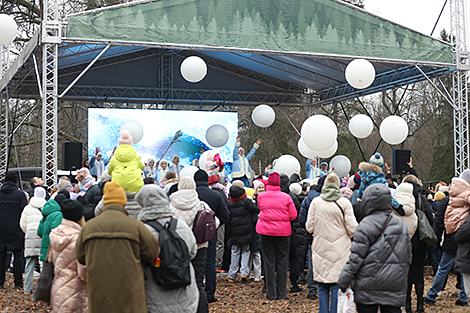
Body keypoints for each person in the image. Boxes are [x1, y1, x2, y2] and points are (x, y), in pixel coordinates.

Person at [75, 181, 160, 313]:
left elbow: (80, 257)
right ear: (124, 203)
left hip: (99, 293)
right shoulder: (136, 226)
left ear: (104, 203)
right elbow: (153, 252)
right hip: (130, 293)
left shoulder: (89, 227)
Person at [338, 184, 412, 313]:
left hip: (367, 285)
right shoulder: (400, 224)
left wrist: (344, 280)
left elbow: (356, 258)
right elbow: (407, 256)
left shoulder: (365, 225)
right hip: (393, 283)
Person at [136, 184, 198, 313]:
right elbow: (192, 252)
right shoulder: (180, 225)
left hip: (155, 291)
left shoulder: (141, 230)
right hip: (185, 289)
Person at [305, 173, 357, 313]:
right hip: (340, 250)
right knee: (336, 286)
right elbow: (353, 229)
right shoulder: (345, 203)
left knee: (322, 287)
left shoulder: (316, 202)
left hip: (321, 249)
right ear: (338, 185)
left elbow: (309, 227)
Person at [171, 176, 218, 313]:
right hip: (199, 246)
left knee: (179, 282)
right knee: (198, 283)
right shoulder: (201, 204)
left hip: (178, 248)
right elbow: (215, 222)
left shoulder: (171, 204)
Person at [425, 177, 469, 307]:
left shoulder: (446, 200)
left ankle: (431, 295)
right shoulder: (467, 199)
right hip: (465, 239)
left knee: (443, 268)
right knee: (463, 269)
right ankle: (463, 297)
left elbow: (439, 223)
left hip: (450, 239)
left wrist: (437, 241)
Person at [256, 172, 297, 300]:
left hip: (265, 232)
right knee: (282, 262)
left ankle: (271, 293)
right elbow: (293, 215)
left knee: (269, 262)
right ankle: (282, 293)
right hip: (283, 232)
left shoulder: (261, 197)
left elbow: (260, 208)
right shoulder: (286, 197)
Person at [193, 169, 230, 304]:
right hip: (209, 234)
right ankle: (209, 293)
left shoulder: (191, 195)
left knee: (192, 263)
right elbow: (226, 215)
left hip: (190, 235)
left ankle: (193, 293)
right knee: (210, 264)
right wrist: (214, 225)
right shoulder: (216, 195)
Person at [402, 174, 434, 313]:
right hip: (420, 241)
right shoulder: (421, 199)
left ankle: (407, 304)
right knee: (418, 272)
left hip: (404, 240)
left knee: (407, 273)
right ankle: (420, 304)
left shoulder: (400, 200)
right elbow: (430, 218)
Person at [49, 199, 87, 313]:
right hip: (76, 289)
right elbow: (83, 271)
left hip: (58, 286)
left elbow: (51, 259)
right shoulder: (78, 238)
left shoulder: (55, 233)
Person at [0, 172, 28, 290]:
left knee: (1, 256)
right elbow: (24, 211)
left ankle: (0, 282)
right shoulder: (20, 194)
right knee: (17, 256)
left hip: (1, 228)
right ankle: (18, 282)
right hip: (16, 228)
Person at [227, 185, 260, 282]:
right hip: (247, 231)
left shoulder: (229, 203)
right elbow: (256, 209)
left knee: (234, 252)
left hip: (234, 231)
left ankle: (231, 275)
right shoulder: (246, 202)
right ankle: (244, 272)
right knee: (246, 251)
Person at [20, 188, 47, 294]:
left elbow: (22, 222)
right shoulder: (46, 207)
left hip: (30, 234)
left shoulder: (27, 207)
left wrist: (27, 232)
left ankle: (27, 287)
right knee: (43, 263)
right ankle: (43, 288)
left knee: (29, 263)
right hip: (42, 235)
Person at [38, 193, 65, 265]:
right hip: (53, 251)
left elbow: (39, 232)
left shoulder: (46, 215)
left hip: (44, 248)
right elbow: (57, 232)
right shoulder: (59, 214)